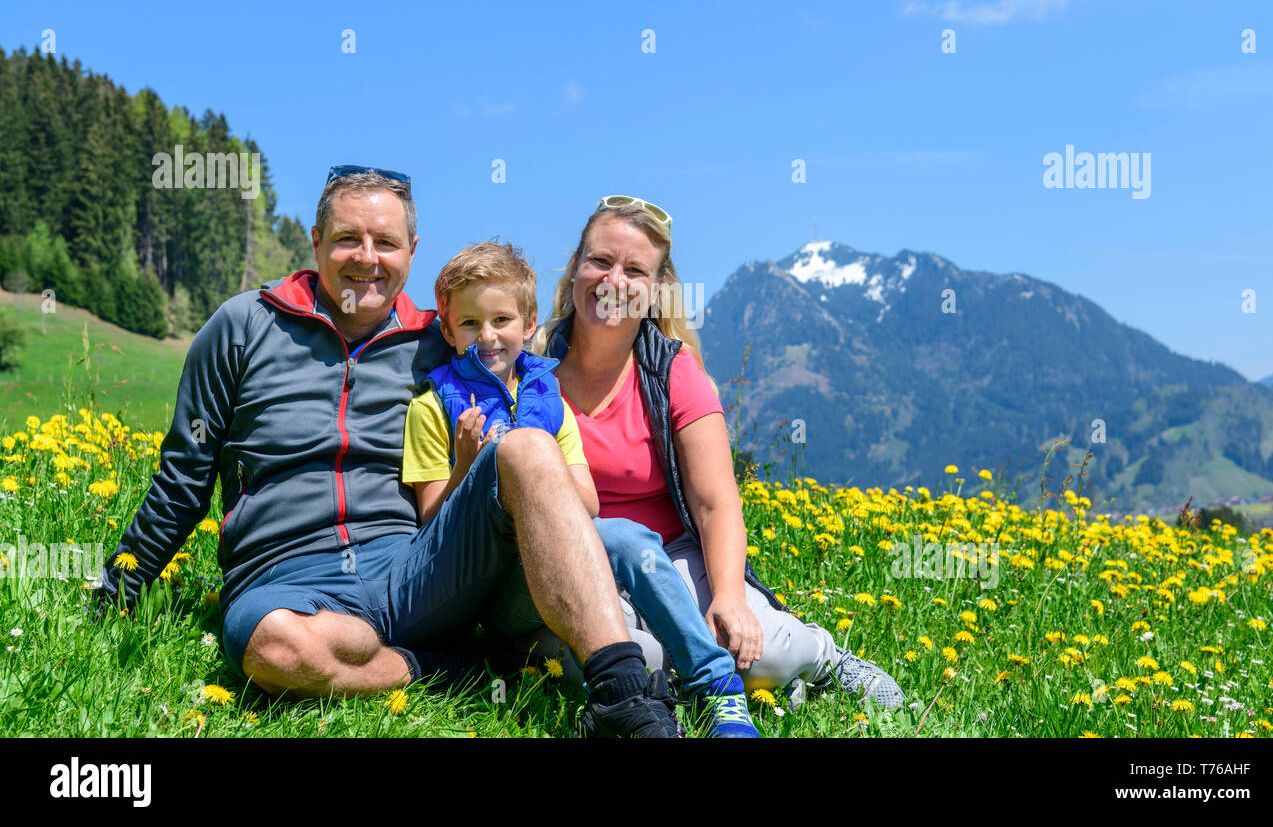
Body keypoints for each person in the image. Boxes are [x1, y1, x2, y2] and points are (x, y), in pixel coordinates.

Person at [95, 166, 681, 737]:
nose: (367, 258)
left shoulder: (442, 341)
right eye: (348, 238)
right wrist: (119, 590)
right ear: (316, 241)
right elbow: (183, 477)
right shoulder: (242, 326)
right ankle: (457, 672)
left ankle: (622, 693)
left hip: (411, 568)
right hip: (280, 577)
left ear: (412, 251)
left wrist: (665, 364)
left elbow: (531, 348)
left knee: (525, 447)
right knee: (276, 646)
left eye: (387, 242)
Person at [531, 196, 906, 710]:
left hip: (672, 558)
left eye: (635, 270)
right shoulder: (529, 364)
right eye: (600, 261)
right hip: (574, 560)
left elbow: (715, 504)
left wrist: (728, 595)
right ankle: (733, 691)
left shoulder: (673, 372)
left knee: (756, 652)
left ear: (656, 291)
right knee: (612, 664)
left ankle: (820, 655)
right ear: (575, 268)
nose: (613, 281)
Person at [400, 240, 759, 736]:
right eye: (469, 324)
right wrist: (467, 463)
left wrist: (536, 466)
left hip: (545, 571)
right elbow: (430, 525)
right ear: (448, 329)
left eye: (502, 321)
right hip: (486, 591)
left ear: (529, 325)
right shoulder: (432, 408)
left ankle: (717, 687)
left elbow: (587, 503)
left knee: (630, 537)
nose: (487, 337)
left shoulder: (549, 398)